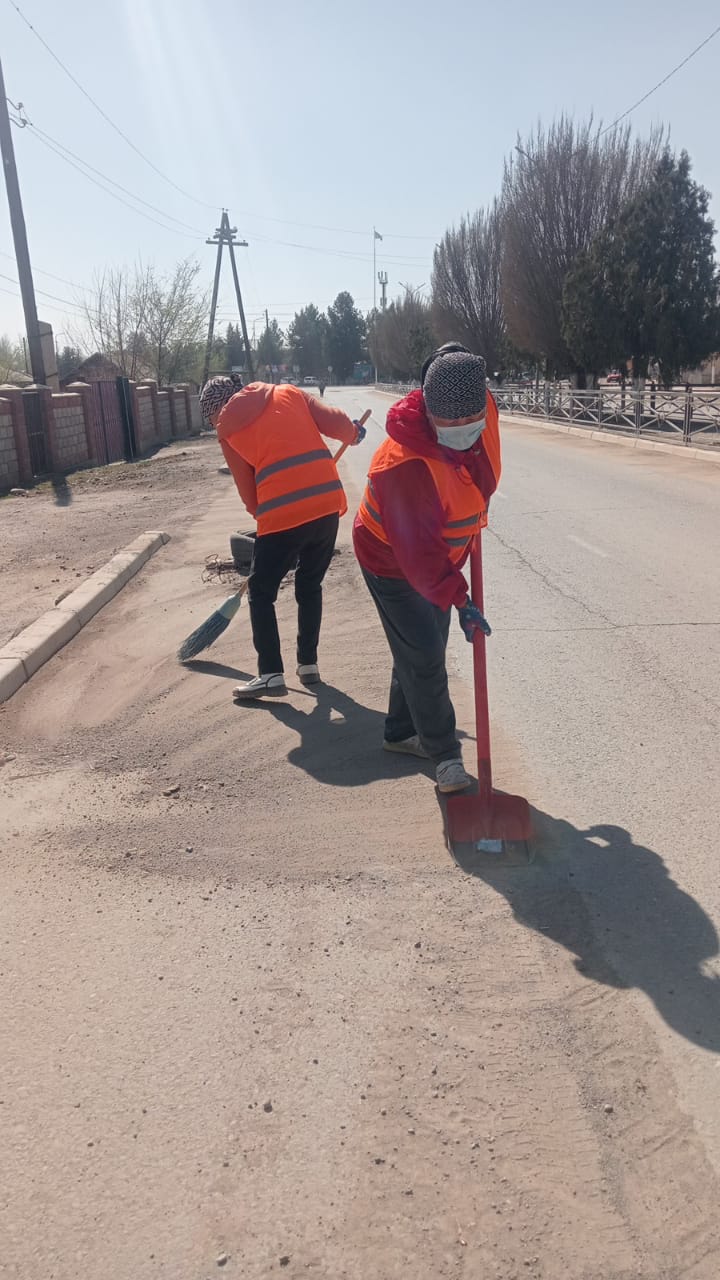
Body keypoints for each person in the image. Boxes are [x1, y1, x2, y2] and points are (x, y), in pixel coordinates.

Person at [353, 345, 501, 794]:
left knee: (419, 645)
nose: (461, 429)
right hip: (390, 560)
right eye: (448, 422)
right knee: (425, 654)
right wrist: (461, 600)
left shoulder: (482, 410)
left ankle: (400, 732)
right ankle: (445, 757)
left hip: (439, 553)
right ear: (427, 411)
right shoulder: (403, 465)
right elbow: (419, 563)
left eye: (469, 420)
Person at [200, 374, 366, 700]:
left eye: (209, 416)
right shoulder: (287, 392)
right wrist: (354, 433)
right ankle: (308, 665)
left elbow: (247, 490)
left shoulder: (226, 428)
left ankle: (270, 674)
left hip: (281, 512)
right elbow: (336, 423)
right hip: (327, 502)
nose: (212, 422)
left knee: (261, 592)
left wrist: (265, 518)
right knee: (309, 583)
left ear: (215, 408)